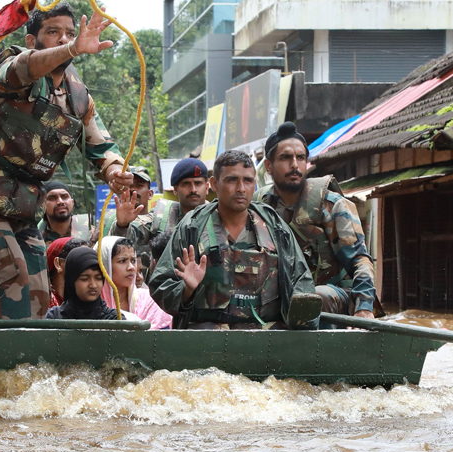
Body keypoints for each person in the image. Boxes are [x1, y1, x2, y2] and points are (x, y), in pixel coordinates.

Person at [0, 3, 134, 320]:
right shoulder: (13, 68)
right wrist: (72, 48)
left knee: (38, 294)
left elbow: (100, 144)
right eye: (53, 32)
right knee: (14, 283)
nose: (64, 39)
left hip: (22, 201)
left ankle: (21, 351)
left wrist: (114, 171)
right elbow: (25, 67)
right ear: (32, 40)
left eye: (70, 33)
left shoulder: (79, 96)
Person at [149, 150, 321, 330]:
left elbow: (301, 281)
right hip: (206, 337)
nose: (241, 189)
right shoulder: (193, 226)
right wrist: (186, 290)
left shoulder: (273, 226)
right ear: (214, 184)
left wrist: (300, 322)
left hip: (268, 336)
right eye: (232, 180)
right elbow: (161, 284)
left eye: (248, 181)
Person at [257, 121, 377, 321]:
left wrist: (364, 307)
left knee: (315, 297)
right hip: (284, 296)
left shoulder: (331, 205)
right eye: (285, 157)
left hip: (333, 296)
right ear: (268, 166)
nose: (294, 165)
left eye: (300, 158)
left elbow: (360, 259)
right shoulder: (260, 207)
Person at [111, 158, 209, 274]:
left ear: (207, 187)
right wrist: (123, 225)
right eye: (186, 184)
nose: (193, 189)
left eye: (198, 183)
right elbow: (128, 241)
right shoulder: (161, 216)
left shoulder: (219, 214)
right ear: (175, 189)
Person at [98, 236, 172, 329]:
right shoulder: (92, 304)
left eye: (133, 261)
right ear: (104, 265)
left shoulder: (150, 301)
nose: (131, 267)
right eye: (122, 261)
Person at [45, 246, 119, 321]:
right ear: (71, 281)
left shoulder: (113, 319)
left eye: (98, 278)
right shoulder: (53, 317)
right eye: (84, 279)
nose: (93, 285)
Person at [98, 165, 153, 237]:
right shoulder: (107, 221)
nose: (132, 189)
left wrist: (123, 226)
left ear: (150, 194)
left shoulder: (158, 223)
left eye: (139, 185)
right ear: (118, 193)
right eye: (128, 185)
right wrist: (122, 225)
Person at [45, 236, 90, 310]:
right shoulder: (42, 302)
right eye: (80, 260)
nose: (87, 266)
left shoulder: (88, 300)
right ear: (58, 264)